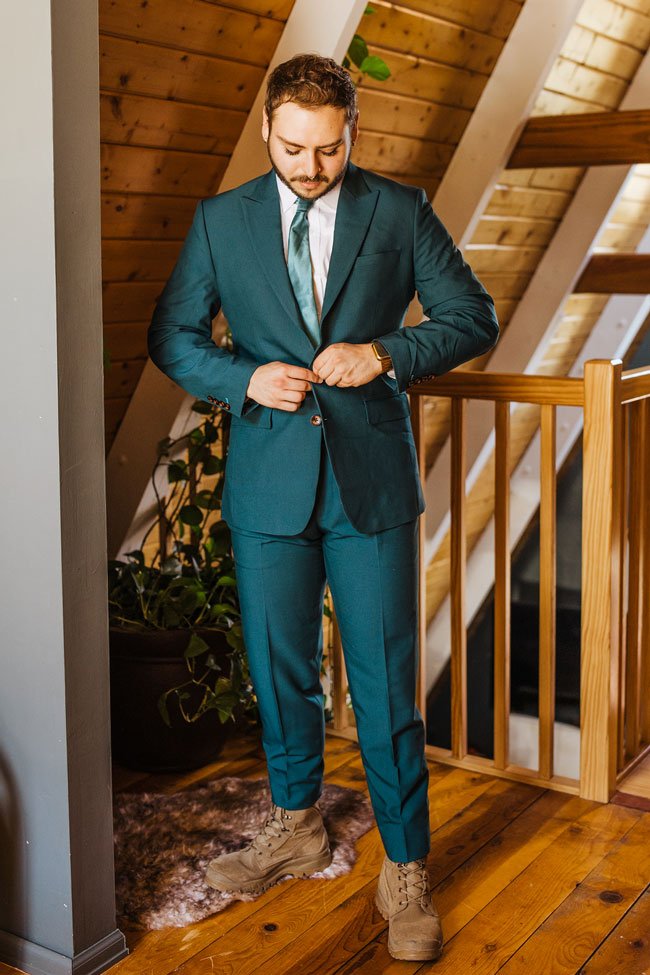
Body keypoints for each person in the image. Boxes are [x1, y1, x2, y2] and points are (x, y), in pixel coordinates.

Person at [147, 52, 498, 962]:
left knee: (384, 690)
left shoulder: (401, 208)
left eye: (329, 151)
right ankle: (296, 825)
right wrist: (245, 377)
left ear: (353, 134)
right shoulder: (221, 221)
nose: (309, 169)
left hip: (371, 484)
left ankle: (408, 868)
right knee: (280, 670)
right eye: (294, 148)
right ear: (269, 128)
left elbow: (471, 314)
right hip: (268, 480)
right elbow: (173, 334)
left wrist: (385, 352)